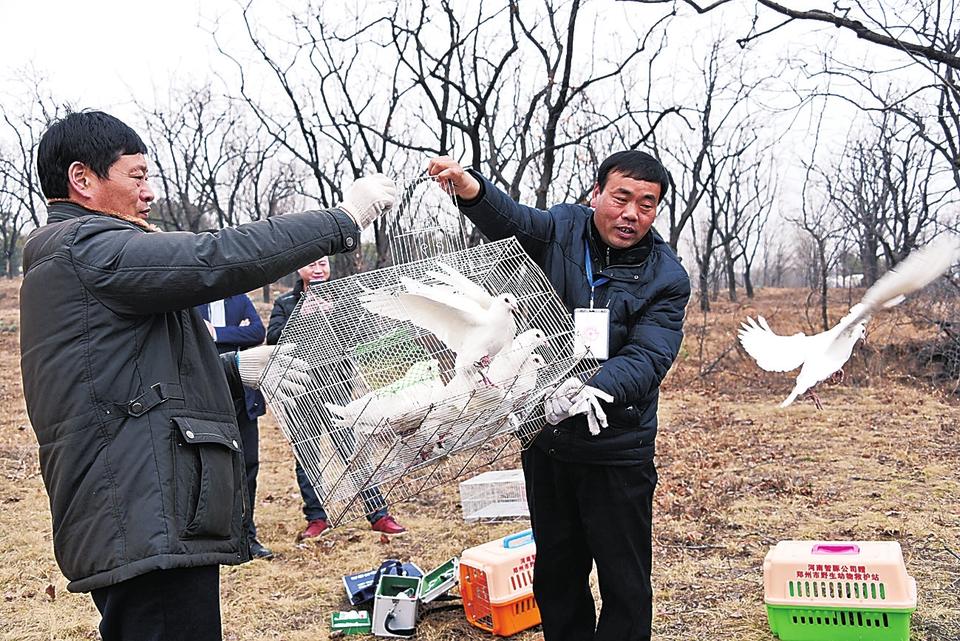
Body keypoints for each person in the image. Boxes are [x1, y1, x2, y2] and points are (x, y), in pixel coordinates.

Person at [20, 110, 396, 641]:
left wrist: (235, 368)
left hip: (142, 509)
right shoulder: (85, 247)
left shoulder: (77, 256)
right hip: (141, 514)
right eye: (137, 176)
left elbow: (127, 375)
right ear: (83, 180)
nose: (148, 192)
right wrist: (342, 220)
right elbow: (212, 256)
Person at [427, 151, 690, 641]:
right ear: (596, 195)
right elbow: (513, 219)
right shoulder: (563, 229)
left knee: (624, 581)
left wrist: (591, 389)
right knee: (557, 574)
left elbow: (649, 357)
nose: (632, 213)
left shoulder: (667, 278)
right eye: (621, 198)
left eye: (647, 205)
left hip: (616, 449)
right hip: (546, 440)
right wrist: (471, 189)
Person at [267, 256, 407, 538]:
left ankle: (378, 514)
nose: (318, 270)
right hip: (301, 391)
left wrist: (333, 315)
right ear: (299, 268)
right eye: (311, 265)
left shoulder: (343, 297)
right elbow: (274, 341)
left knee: (353, 452)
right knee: (307, 457)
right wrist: (303, 317)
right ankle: (316, 518)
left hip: (337, 388)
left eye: (322, 264)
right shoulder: (286, 304)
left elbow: (359, 335)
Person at [196, 293, 272, 559]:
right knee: (212, 470)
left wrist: (215, 333)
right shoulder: (192, 300)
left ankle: (247, 537)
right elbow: (191, 339)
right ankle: (215, 537)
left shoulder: (239, 300)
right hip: (206, 400)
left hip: (244, 398)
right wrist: (233, 333)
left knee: (248, 467)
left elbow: (255, 333)